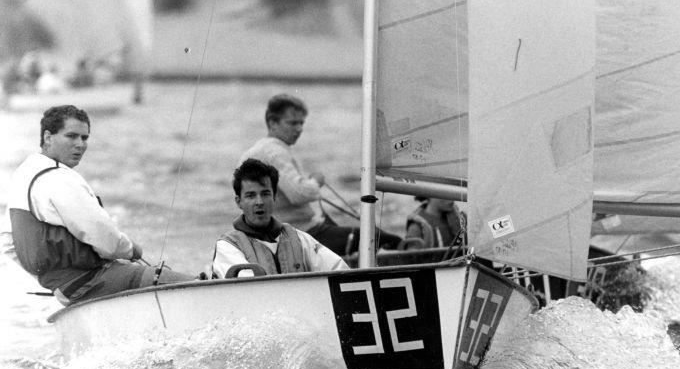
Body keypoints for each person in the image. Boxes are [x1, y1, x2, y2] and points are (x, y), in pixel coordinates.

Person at [0, 105, 194, 305]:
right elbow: (103, 235)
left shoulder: (24, 174)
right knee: (187, 282)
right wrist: (131, 250)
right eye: (72, 136)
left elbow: (8, 243)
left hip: (63, 289)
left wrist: (52, 281)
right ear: (48, 137)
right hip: (90, 281)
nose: (80, 145)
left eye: (85, 138)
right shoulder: (59, 178)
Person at [240, 93, 401, 256]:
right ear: (272, 122)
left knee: (354, 232)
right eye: (292, 123)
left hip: (284, 233)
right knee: (383, 239)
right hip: (299, 236)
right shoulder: (274, 152)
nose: (299, 129)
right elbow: (298, 194)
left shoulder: (257, 151)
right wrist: (316, 181)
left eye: (301, 123)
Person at [212, 158, 348, 278]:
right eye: (251, 195)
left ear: (274, 197)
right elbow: (247, 290)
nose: (259, 202)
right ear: (238, 201)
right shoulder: (228, 246)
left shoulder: (299, 238)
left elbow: (339, 270)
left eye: (265, 194)